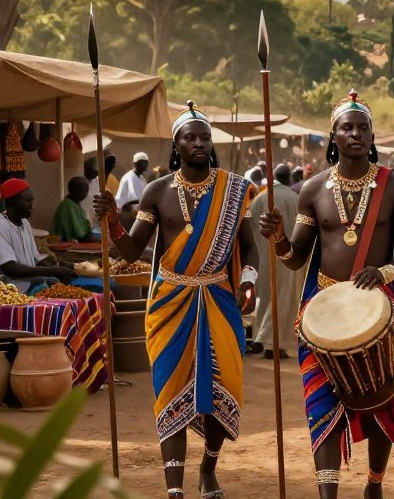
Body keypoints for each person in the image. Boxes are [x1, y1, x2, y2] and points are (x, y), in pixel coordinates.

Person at [258, 91, 394, 498]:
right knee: (321, 405)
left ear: (372, 136)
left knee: (384, 399)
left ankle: (374, 484)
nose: (356, 134)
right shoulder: (313, 190)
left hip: (377, 308)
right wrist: (278, 239)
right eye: (347, 128)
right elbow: (296, 258)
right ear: (333, 136)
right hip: (323, 312)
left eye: (363, 127)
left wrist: (383, 272)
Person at [93, 103, 258, 499]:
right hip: (170, 304)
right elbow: (132, 251)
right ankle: (174, 490)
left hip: (220, 299)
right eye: (190, 137)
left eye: (205, 137)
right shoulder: (157, 191)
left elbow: (249, 247)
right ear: (176, 145)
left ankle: (208, 468)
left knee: (224, 391)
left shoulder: (235, 190)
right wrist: (112, 220)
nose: (199, 143)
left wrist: (248, 282)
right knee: (171, 392)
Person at [246, 163, 300, 360]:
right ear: (289, 179)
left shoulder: (260, 198)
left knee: (267, 300)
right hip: (288, 258)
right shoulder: (295, 198)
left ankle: (266, 340)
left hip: (263, 257)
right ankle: (272, 343)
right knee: (283, 301)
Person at [0, 179, 76, 293]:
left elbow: (35, 259)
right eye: (28, 201)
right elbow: (9, 268)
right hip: (12, 290)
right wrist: (51, 270)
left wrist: (59, 266)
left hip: (33, 282)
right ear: (13, 201)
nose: (32, 206)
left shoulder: (24, 223)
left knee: (72, 286)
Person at [52, 176, 98, 242]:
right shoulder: (68, 205)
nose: (86, 194)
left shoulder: (74, 204)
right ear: (78, 191)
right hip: (63, 243)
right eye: (85, 191)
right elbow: (79, 234)